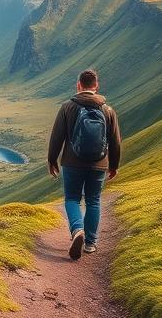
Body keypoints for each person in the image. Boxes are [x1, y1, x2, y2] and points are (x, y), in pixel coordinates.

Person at [47, 69, 121, 260]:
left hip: (72, 163)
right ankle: (90, 244)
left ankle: (77, 230)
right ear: (96, 86)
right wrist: (114, 165)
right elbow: (115, 141)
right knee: (93, 201)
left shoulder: (67, 107)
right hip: (99, 164)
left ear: (78, 85)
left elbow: (57, 136)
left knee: (72, 199)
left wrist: (52, 159)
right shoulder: (108, 110)